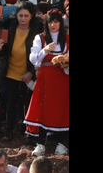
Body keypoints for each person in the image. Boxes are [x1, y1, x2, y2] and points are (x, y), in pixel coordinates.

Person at [23, 9, 69, 156]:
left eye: (56, 22)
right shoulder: (40, 38)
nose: (53, 25)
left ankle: (61, 144)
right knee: (43, 109)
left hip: (63, 79)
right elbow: (33, 59)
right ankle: (40, 144)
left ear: (60, 23)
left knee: (63, 109)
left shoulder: (67, 40)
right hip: (45, 79)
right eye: (50, 22)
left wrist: (66, 65)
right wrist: (45, 50)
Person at [0, 2, 41, 139]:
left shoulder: (36, 33)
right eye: (20, 15)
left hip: (28, 73)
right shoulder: (10, 30)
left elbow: (39, 56)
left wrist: (31, 72)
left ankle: (29, 134)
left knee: (28, 104)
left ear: (31, 17)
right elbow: (2, 55)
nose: (23, 19)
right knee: (10, 103)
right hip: (10, 72)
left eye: (26, 16)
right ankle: (8, 132)